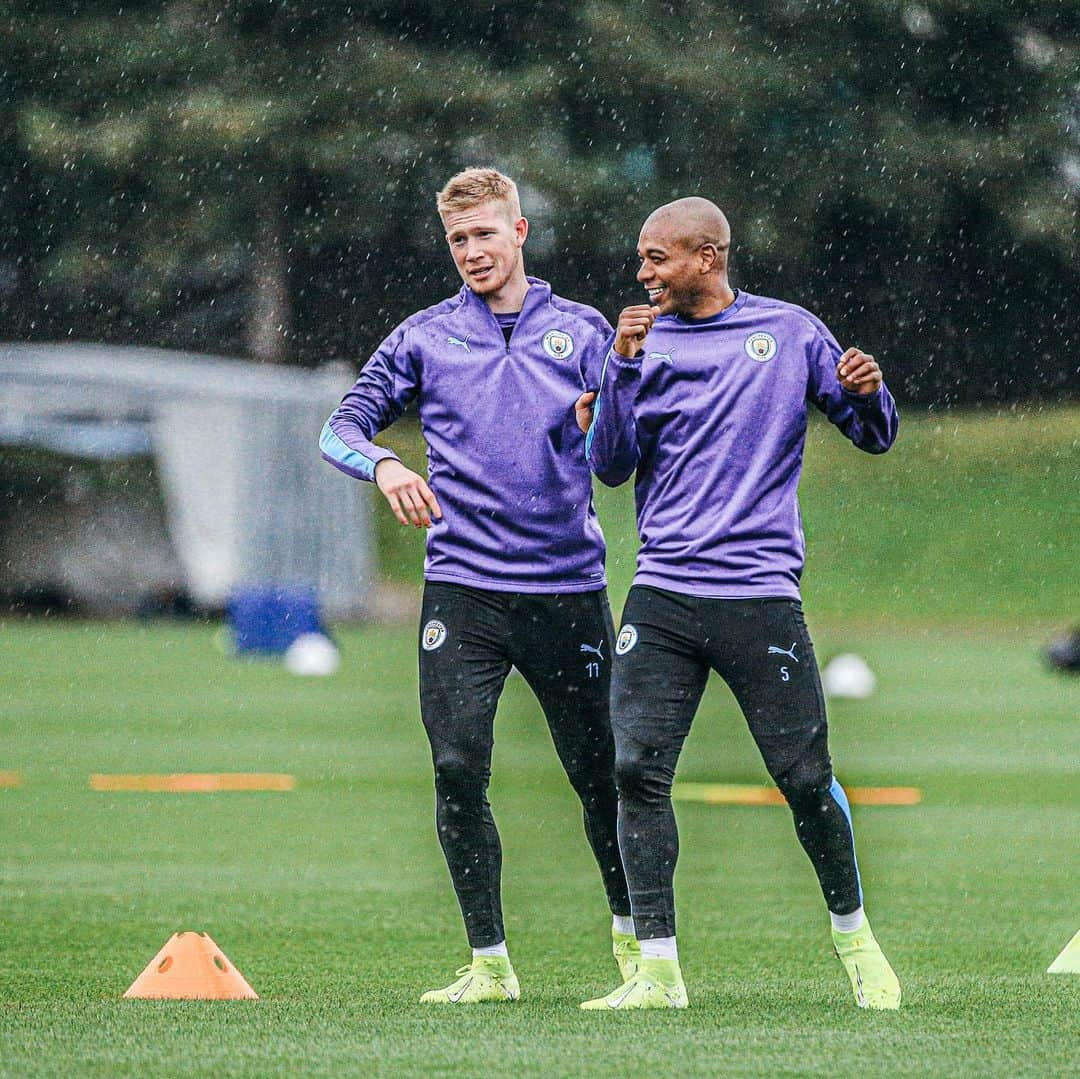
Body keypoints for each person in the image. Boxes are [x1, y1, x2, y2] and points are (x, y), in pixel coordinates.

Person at [575, 197, 902, 1011]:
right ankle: (657, 972)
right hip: (663, 591)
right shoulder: (637, 348)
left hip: (758, 594)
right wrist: (616, 368)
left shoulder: (789, 332)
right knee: (634, 769)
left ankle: (855, 938)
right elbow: (608, 465)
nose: (642, 273)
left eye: (657, 258)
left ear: (708, 256)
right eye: (641, 259)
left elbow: (873, 433)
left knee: (803, 776)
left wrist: (871, 391)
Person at [320, 168, 636, 1004]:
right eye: (458, 240)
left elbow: (627, 440)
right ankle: (489, 963)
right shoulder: (424, 337)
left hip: (568, 589)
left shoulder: (583, 329)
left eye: (485, 234)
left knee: (600, 772)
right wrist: (386, 462)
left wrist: (602, 417)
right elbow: (339, 425)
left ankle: (635, 942)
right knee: (458, 765)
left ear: (520, 232)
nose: (472, 252)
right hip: (463, 590)